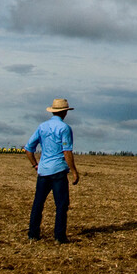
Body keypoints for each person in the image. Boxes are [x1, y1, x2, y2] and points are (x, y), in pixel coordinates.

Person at [25, 98, 80, 243]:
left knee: (38, 203)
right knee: (61, 204)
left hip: (43, 171)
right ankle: (59, 236)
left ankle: (33, 233)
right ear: (64, 112)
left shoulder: (42, 127)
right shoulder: (65, 128)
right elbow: (67, 151)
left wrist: (35, 165)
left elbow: (28, 148)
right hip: (58, 171)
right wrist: (74, 171)